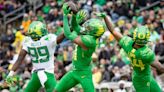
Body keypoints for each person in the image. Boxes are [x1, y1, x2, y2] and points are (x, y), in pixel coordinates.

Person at [97, 13, 164, 92]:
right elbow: (161, 68)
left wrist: (105, 17)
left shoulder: (127, 43)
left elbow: (113, 31)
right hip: (142, 80)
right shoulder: (145, 53)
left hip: (142, 76)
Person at [54, 3, 105, 92]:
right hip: (74, 71)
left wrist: (65, 16)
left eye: (90, 27)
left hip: (84, 74)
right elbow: (75, 27)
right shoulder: (89, 35)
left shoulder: (90, 41)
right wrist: (74, 17)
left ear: (94, 32)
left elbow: (68, 34)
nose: (86, 27)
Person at [6, 21, 65, 92]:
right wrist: (71, 27)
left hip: (36, 75)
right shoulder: (48, 39)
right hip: (48, 74)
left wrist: (11, 73)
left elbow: (20, 59)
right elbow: (62, 37)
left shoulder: (27, 41)